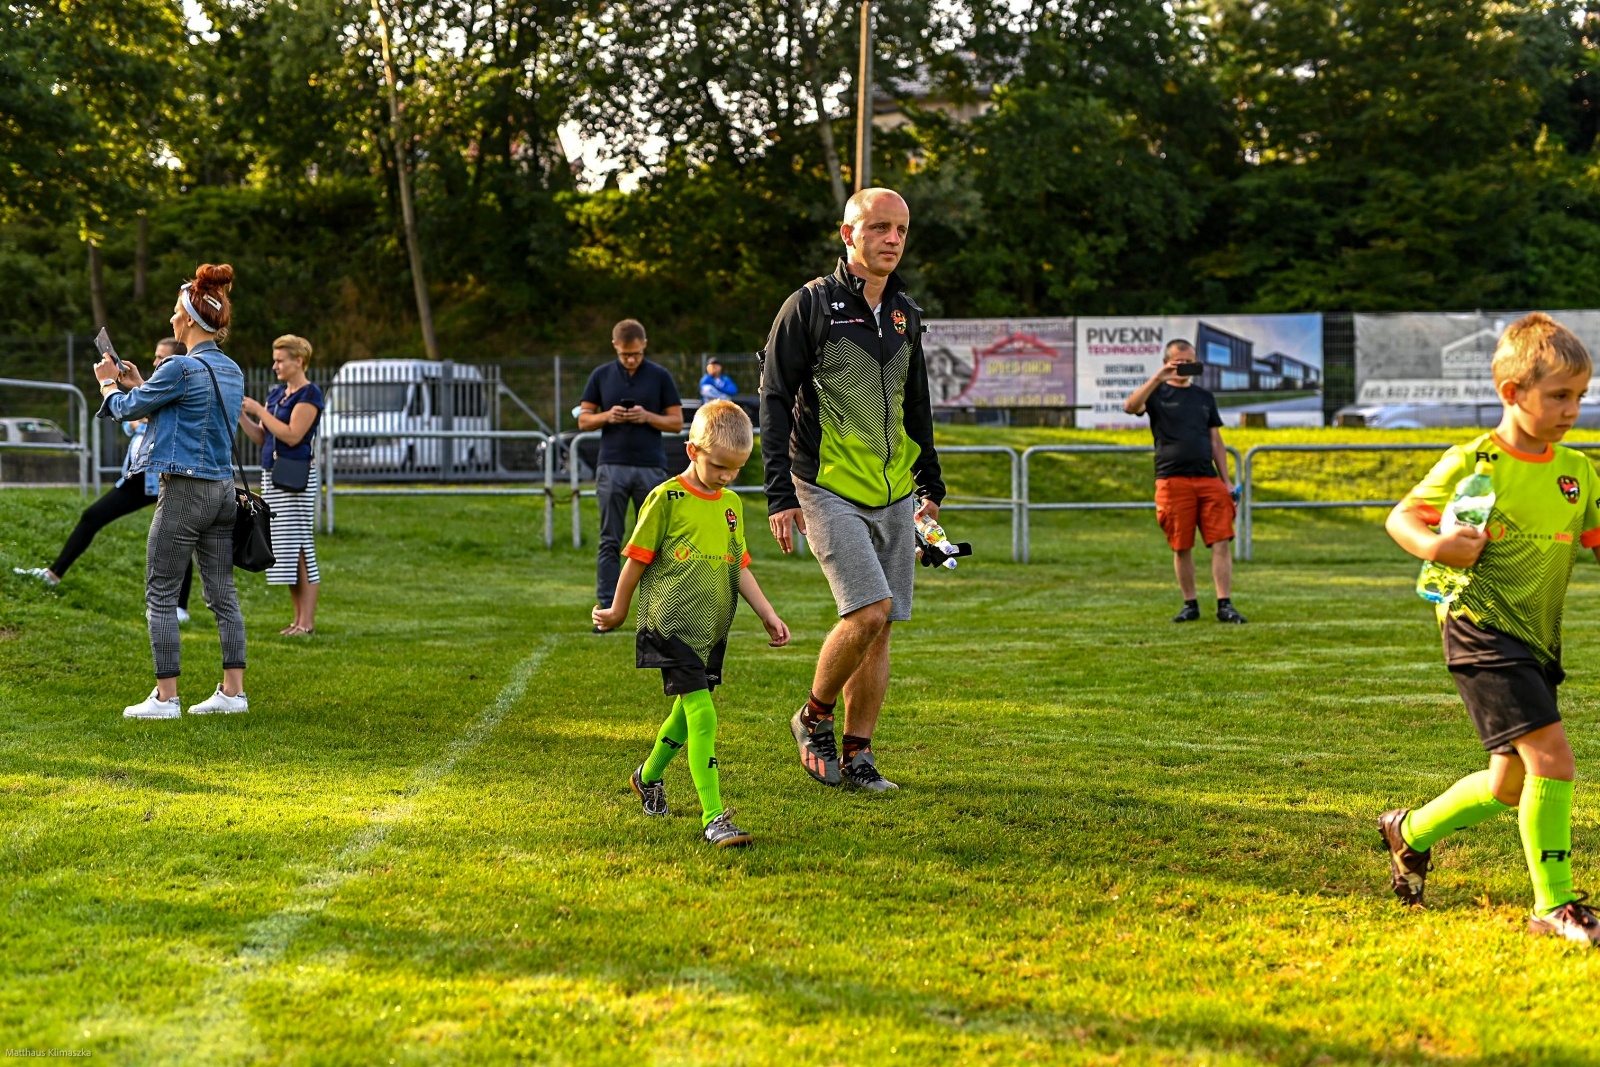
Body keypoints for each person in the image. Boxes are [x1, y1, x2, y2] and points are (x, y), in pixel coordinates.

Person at [1380, 312, 1600, 943]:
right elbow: (1402, 518)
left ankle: (1408, 831)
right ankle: (1554, 905)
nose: (1572, 410)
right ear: (1512, 392)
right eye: (1559, 396)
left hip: (1536, 638)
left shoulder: (1577, 470)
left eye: (1580, 396)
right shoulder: (1474, 462)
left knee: (1508, 784)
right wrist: (1438, 546)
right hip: (1479, 626)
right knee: (1553, 760)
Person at [760, 186, 944, 793]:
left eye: (901, 230)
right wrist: (780, 495)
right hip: (825, 486)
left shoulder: (906, 313)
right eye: (879, 227)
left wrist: (930, 483)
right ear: (848, 234)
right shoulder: (809, 305)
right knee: (868, 610)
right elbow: (774, 398)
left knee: (881, 625)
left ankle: (859, 754)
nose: (892, 239)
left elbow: (917, 403)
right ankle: (812, 717)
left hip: (893, 491)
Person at [592, 400, 790, 847]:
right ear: (692, 451)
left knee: (684, 714)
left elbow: (739, 565)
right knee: (703, 714)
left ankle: (647, 777)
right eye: (719, 466)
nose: (727, 477)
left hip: (710, 631)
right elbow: (635, 560)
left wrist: (768, 613)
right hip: (669, 627)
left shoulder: (731, 504)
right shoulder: (666, 499)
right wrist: (618, 610)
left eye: (736, 469)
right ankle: (714, 816)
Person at [94, 263, 249, 720]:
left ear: (191, 320)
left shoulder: (180, 366)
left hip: (184, 492)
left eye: (176, 312)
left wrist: (108, 382)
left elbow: (126, 409)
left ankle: (166, 698)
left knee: (160, 592)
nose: (171, 318)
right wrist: (143, 383)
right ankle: (233, 694)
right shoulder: (232, 370)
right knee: (223, 594)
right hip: (222, 491)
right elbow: (186, 414)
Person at [15, 338, 195, 619]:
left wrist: (114, 389)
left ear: (176, 361)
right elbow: (132, 420)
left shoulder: (178, 389)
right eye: (156, 356)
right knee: (92, 516)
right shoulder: (155, 388)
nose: (155, 362)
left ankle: (180, 608)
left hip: (168, 476)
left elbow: (152, 420)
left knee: (176, 537)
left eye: (161, 357)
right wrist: (136, 404)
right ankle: (53, 575)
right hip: (141, 477)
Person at [1121, 339, 1246, 624]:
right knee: (1181, 545)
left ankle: (1225, 604)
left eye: (1189, 361)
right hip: (1172, 479)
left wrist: (1226, 481)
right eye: (1178, 362)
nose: (1184, 367)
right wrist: (1158, 377)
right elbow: (1130, 407)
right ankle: (1190, 604)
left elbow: (1216, 441)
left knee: (1222, 540)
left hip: (1207, 478)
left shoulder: (1204, 397)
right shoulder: (1156, 392)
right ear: (1166, 362)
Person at [577, 319, 684, 621]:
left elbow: (676, 422)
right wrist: (608, 416)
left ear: (644, 345)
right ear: (615, 347)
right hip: (611, 465)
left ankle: (659, 611)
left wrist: (646, 416)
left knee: (656, 541)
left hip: (651, 467)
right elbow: (584, 420)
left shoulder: (660, 376)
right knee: (610, 539)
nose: (631, 360)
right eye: (625, 355)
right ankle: (606, 609)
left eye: (636, 354)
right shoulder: (601, 375)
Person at [239, 334, 324, 636]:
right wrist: (241, 415)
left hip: (296, 477)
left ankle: (307, 623)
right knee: (286, 548)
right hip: (273, 475)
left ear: (298, 361)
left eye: (280, 360)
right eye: (274, 360)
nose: (275, 365)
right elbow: (263, 437)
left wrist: (259, 411)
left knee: (300, 546)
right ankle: (296, 620)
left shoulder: (310, 394)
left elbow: (292, 435)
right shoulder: (276, 394)